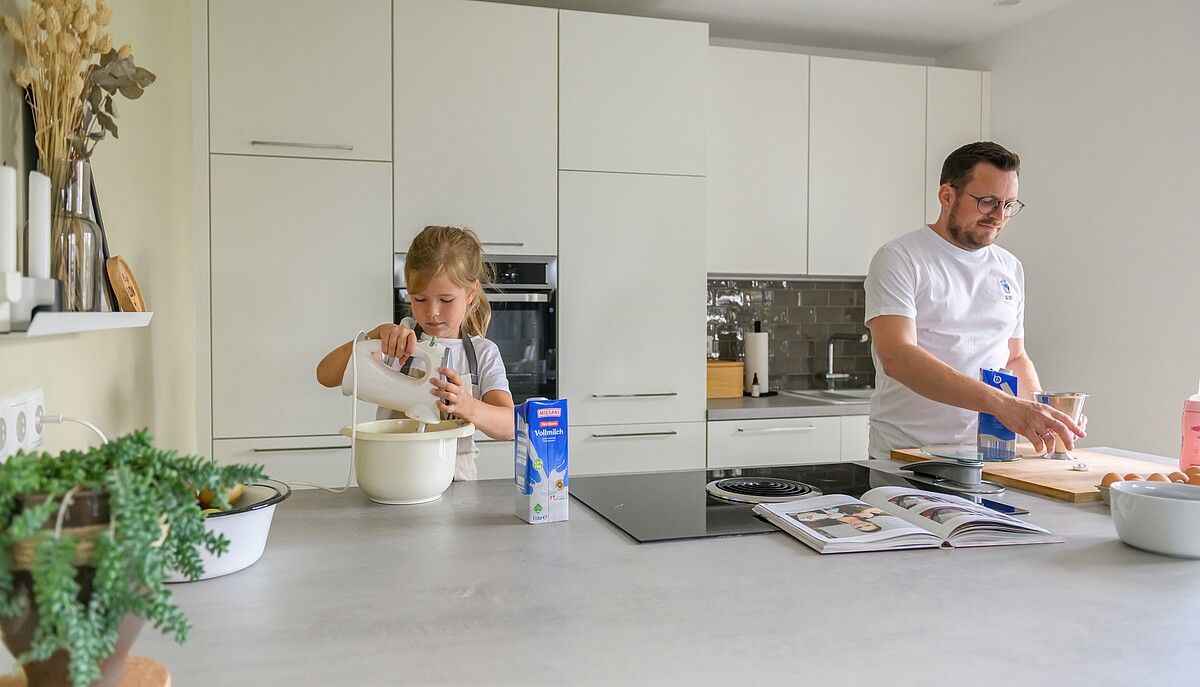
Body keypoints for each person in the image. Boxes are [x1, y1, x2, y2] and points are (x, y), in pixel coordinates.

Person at [864, 141, 1085, 460]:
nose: (999, 216)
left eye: (1009, 205)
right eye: (988, 202)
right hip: (909, 457)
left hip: (990, 454)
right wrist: (1004, 405)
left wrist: (1044, 412)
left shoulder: (1009, 267)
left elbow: (1015, 357)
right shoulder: (900, 258)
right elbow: (898, 356)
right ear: (947, 196)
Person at [316, 226, 515, 480]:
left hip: (459, 488)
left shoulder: (482, 354)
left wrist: (468, 405)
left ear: (470, 293)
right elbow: (325, 375)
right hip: (392, 481)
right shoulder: (395, 344)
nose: (432, 312)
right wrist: (373, 336)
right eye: (420, 299)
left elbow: (510, 425)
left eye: (445, 300)